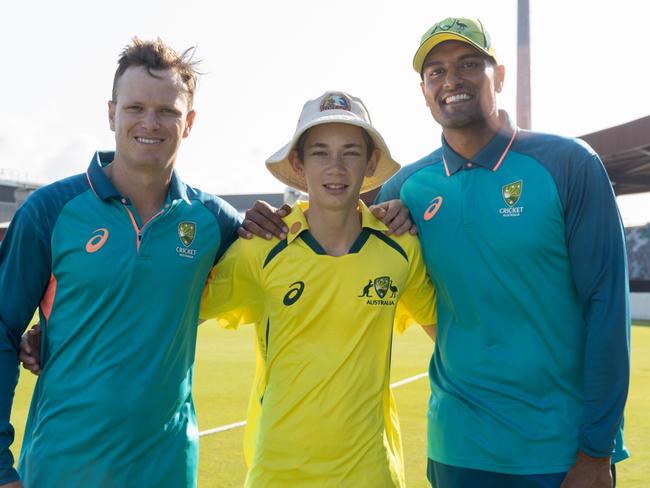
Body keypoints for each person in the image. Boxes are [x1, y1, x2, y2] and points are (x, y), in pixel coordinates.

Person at [374, 17, 630, 488]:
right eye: (435, 72)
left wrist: (596, 452)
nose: (451, 80)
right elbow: (329, 228)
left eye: (469, 63)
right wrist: (268, 221)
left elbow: (608, 308)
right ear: (424, 90)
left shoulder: (569, 164)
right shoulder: (406, 187)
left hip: (559, 449)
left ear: (500, 75)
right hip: (457, 446)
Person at [0, 38, 241, 487]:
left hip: (167, 470)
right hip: (61, 468)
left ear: (188, 123)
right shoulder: (51, 211)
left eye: (167, 111)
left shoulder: (214, 222)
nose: (150, 122)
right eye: (135, 108)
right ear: (111, 113)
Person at [199, 91, 437, 487]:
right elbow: (177, 314)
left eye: (350, 152)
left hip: (372, 475)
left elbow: (450, 336)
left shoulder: (401, 246)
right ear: (299, 162)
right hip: (279, 475)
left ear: (371, 162)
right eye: (321, 153)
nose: (337, 168)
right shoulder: (260, 248)